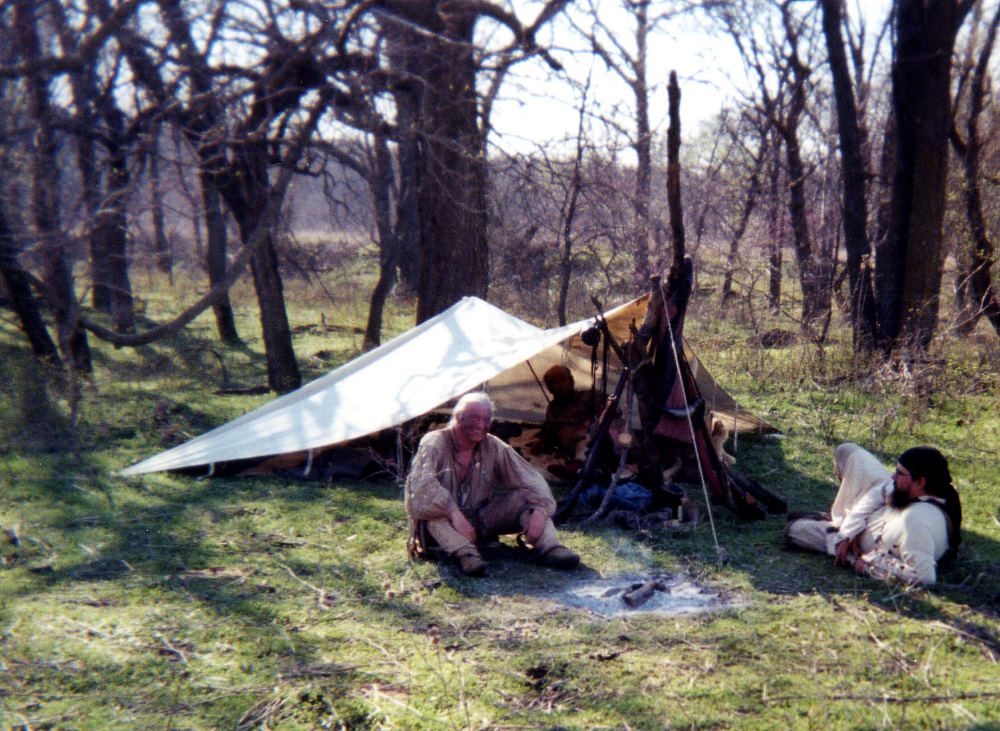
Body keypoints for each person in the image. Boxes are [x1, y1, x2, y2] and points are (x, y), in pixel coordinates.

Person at [405, 392, 581, 577]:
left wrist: (539, 510)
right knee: (431, 514)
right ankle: (466, 555)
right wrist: (453, 512)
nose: (481, 425)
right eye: (474, 418)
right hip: (445, 525)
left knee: (528, 498)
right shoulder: (435, 442)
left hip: (480, 519)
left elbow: (530, 479)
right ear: (458, 417)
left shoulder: (492, 445)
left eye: (486, 420)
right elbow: (420, 488)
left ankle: (551, 548)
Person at [784, 443, 962, 585]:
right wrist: (847, 534)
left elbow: (924, 578)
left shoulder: (914, 524)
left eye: (899, 473)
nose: (893, 476)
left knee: (795, 530)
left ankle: (832, 524)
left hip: (868, 540)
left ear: (920, 482)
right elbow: (882, 490)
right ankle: (841, 522)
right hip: (869, 517)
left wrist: (868, 565)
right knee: (847, 451)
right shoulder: (918, 490)